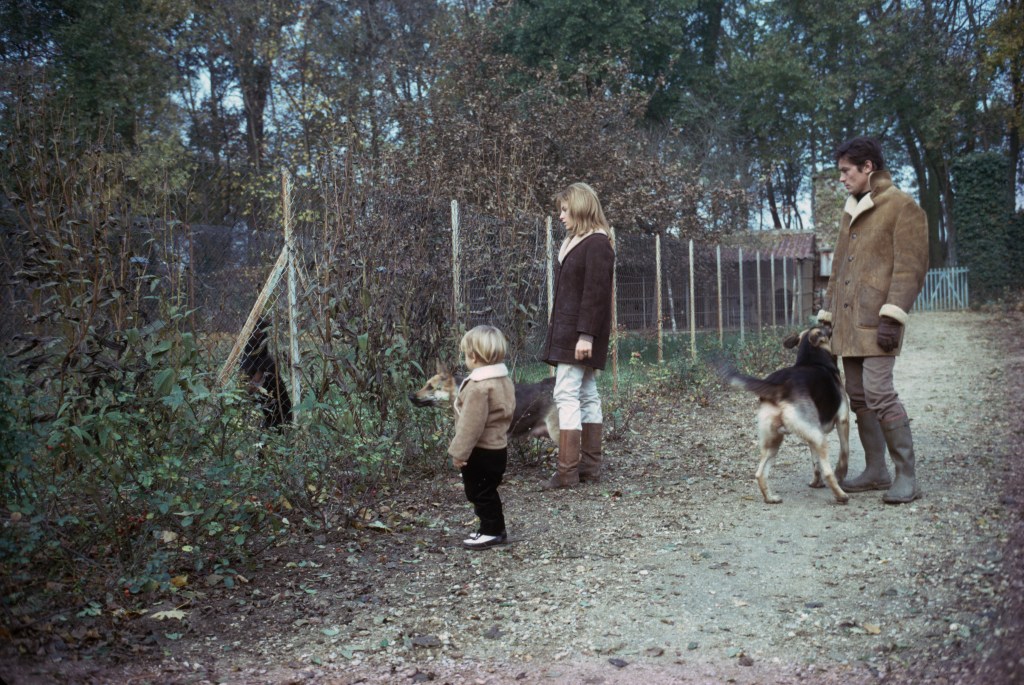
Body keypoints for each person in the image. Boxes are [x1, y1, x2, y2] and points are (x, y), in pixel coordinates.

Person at [817, 136, 929, 504]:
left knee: (880, 393)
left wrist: (893, 317)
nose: (842, 178)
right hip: (849, 325)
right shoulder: (851, 209)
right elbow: (838, 270)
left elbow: (910, 269)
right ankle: (876, 470)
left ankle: (906, 476)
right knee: (859, 396)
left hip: (878, 323)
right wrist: (828, 317)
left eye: (846, 171)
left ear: (868, 168)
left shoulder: (901, 206)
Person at [540, 182, 615, 489]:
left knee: (566, 393)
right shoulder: (579, 240)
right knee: (585, 393)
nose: (560, 216)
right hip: (573, 332)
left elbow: (595, 295)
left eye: (565, 210)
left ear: (581, 208)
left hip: (579, 334)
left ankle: (568, 472)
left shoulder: (596, 243)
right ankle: (589, 468)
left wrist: (585, 336)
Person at [448, 325, 516, 549]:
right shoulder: (503, 381)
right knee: (488, 490)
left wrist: (459, 453)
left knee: (478, 492)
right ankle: (495, 528)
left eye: (466, 354)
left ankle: (491, 531)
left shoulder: (479, 387)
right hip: (498, 448)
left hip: (480, 450)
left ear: (474, 357)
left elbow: (471, 425)